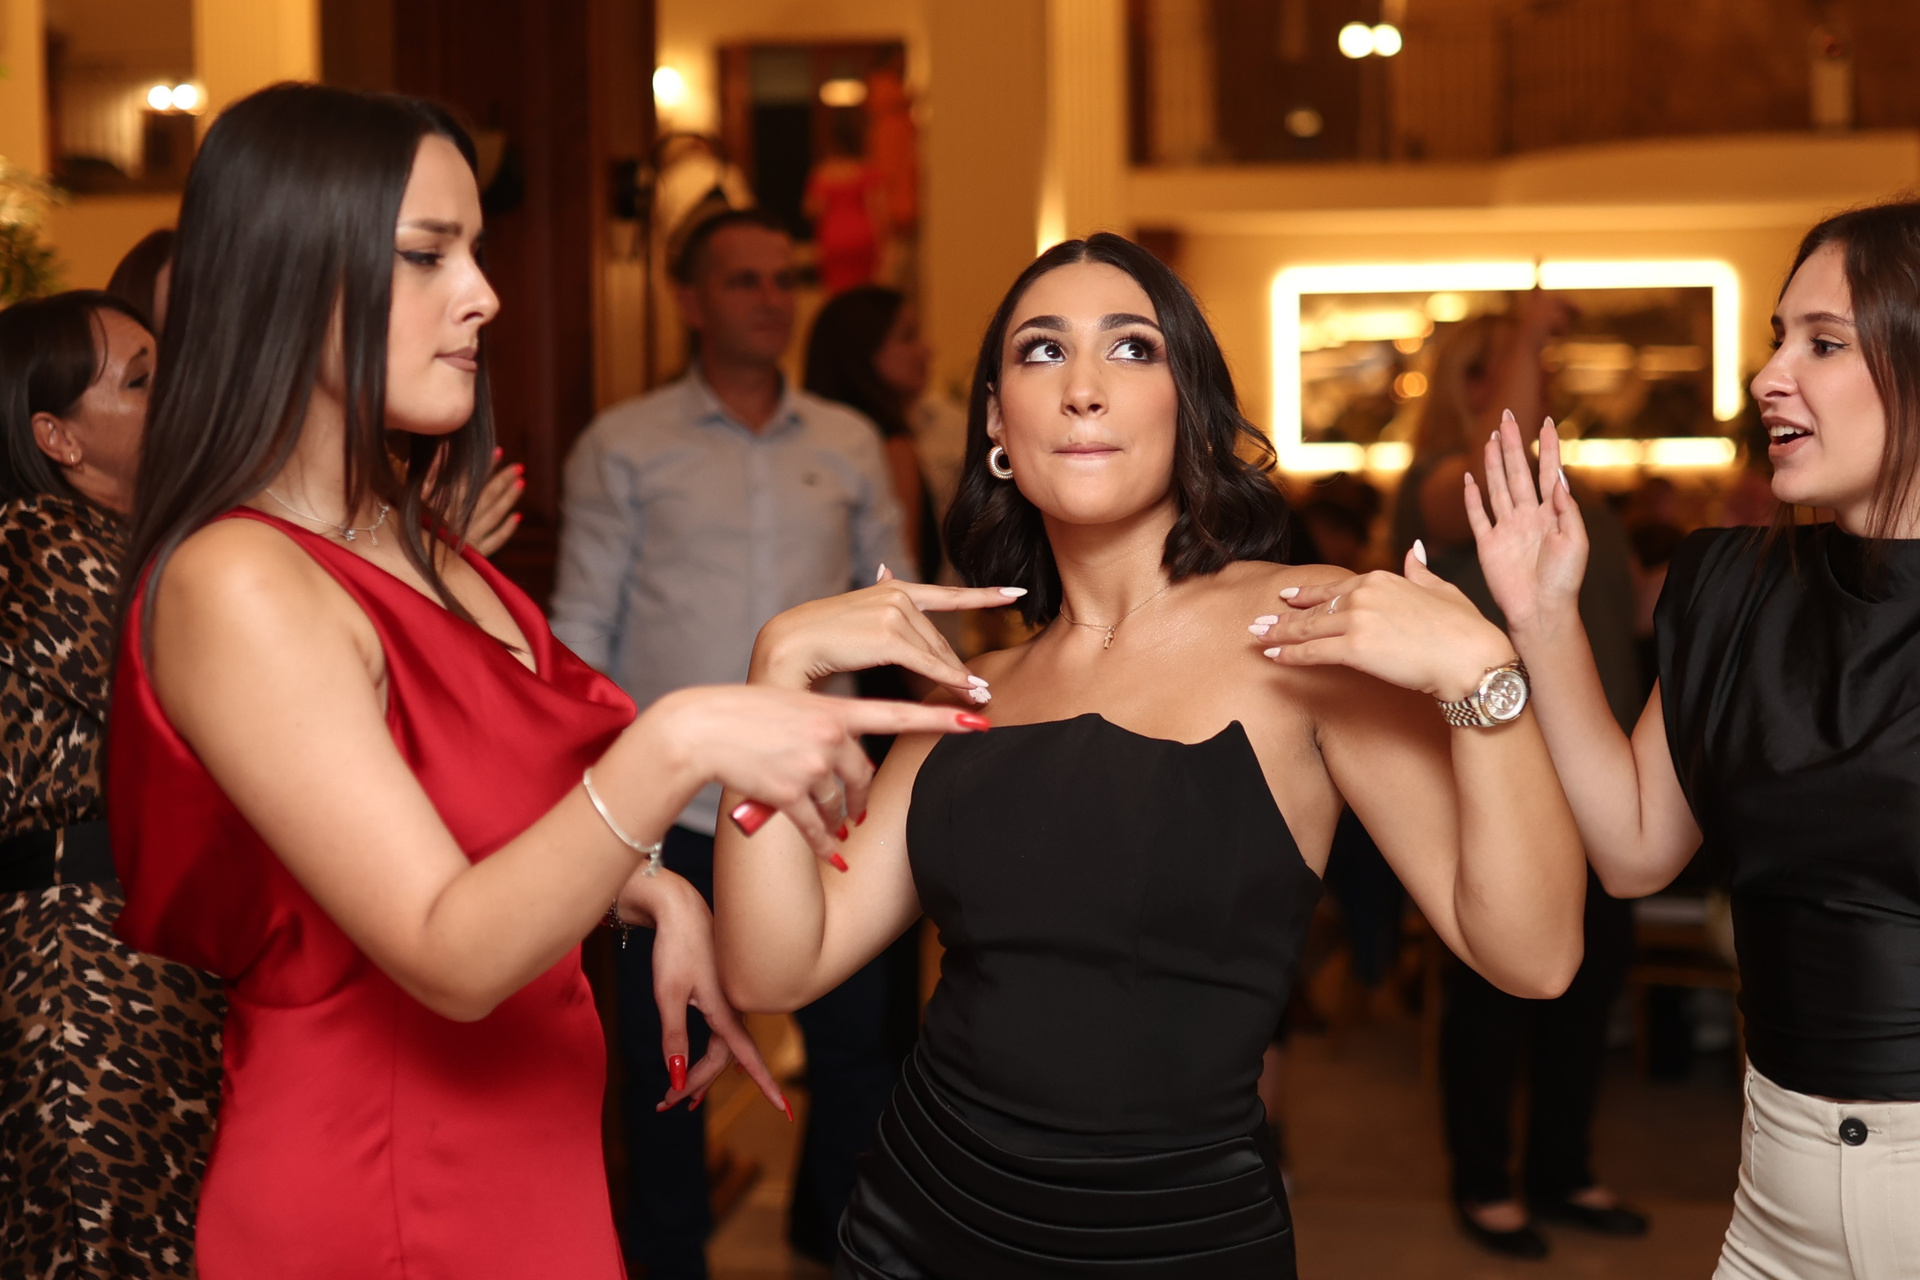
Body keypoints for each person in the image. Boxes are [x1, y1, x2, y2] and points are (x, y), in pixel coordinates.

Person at [106, 83, 978, 1280]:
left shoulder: (413, 540)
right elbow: (449, 950)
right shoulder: (238, 579)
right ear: (288, 275)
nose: (484, 294)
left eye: (474, 249)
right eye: (428, 254)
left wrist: (646, 889)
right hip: (384, 1174)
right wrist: (680, 738)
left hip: (525, 1150)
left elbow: (470, 816)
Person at [710, 232, 1589, 1278]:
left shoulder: (1302, 626)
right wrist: (774, 676)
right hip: (917, 1229)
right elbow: (774, 964)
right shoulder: (975, 689)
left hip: (1181, 1244)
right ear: (997, 421)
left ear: (1192, 408)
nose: (1082, 388)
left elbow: (1535, 956)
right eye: (1042, 351)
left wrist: (1484, 676)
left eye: (1132, 348)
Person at [1450, 198, 1920, 1280]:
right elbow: (1632, 848)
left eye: (1824, 343)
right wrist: (1544, 616)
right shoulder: (1733, 586)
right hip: (1774, 1200)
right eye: (1778, 338)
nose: (1769, 377)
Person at [551, 203, 912, 1278]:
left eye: (783, 278)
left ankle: (833, 1246)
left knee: (856, 1052)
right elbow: (582, 629)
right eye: (743, 279)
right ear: (691, 301)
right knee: (667, 1063)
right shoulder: (625, 443)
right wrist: (588, 801)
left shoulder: (848, 442)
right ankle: (671, 1262)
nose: (770, 299)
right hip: (675, 814)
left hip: (823, 805)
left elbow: (892, 609)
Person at [0, 290, 224, 1279]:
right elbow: (213, 716)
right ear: (57, 437)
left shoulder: (132, 543)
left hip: (138, 938)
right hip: (81, 959)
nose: (176, 389)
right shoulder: (39, 541)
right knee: (101, 1241)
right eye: (140, 380)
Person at [102, 227, 527, 559]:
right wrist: (436, 562)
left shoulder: (381, 479)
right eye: (423, 256)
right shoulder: (217, 546)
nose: (229, 345)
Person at [803, 111, 888, 296]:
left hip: (834, 237)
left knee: (837, 295)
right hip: (862, 238)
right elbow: (879, 211)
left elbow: (813, 209)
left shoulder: (823, 173)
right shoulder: (867, 171)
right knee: (864, 293)